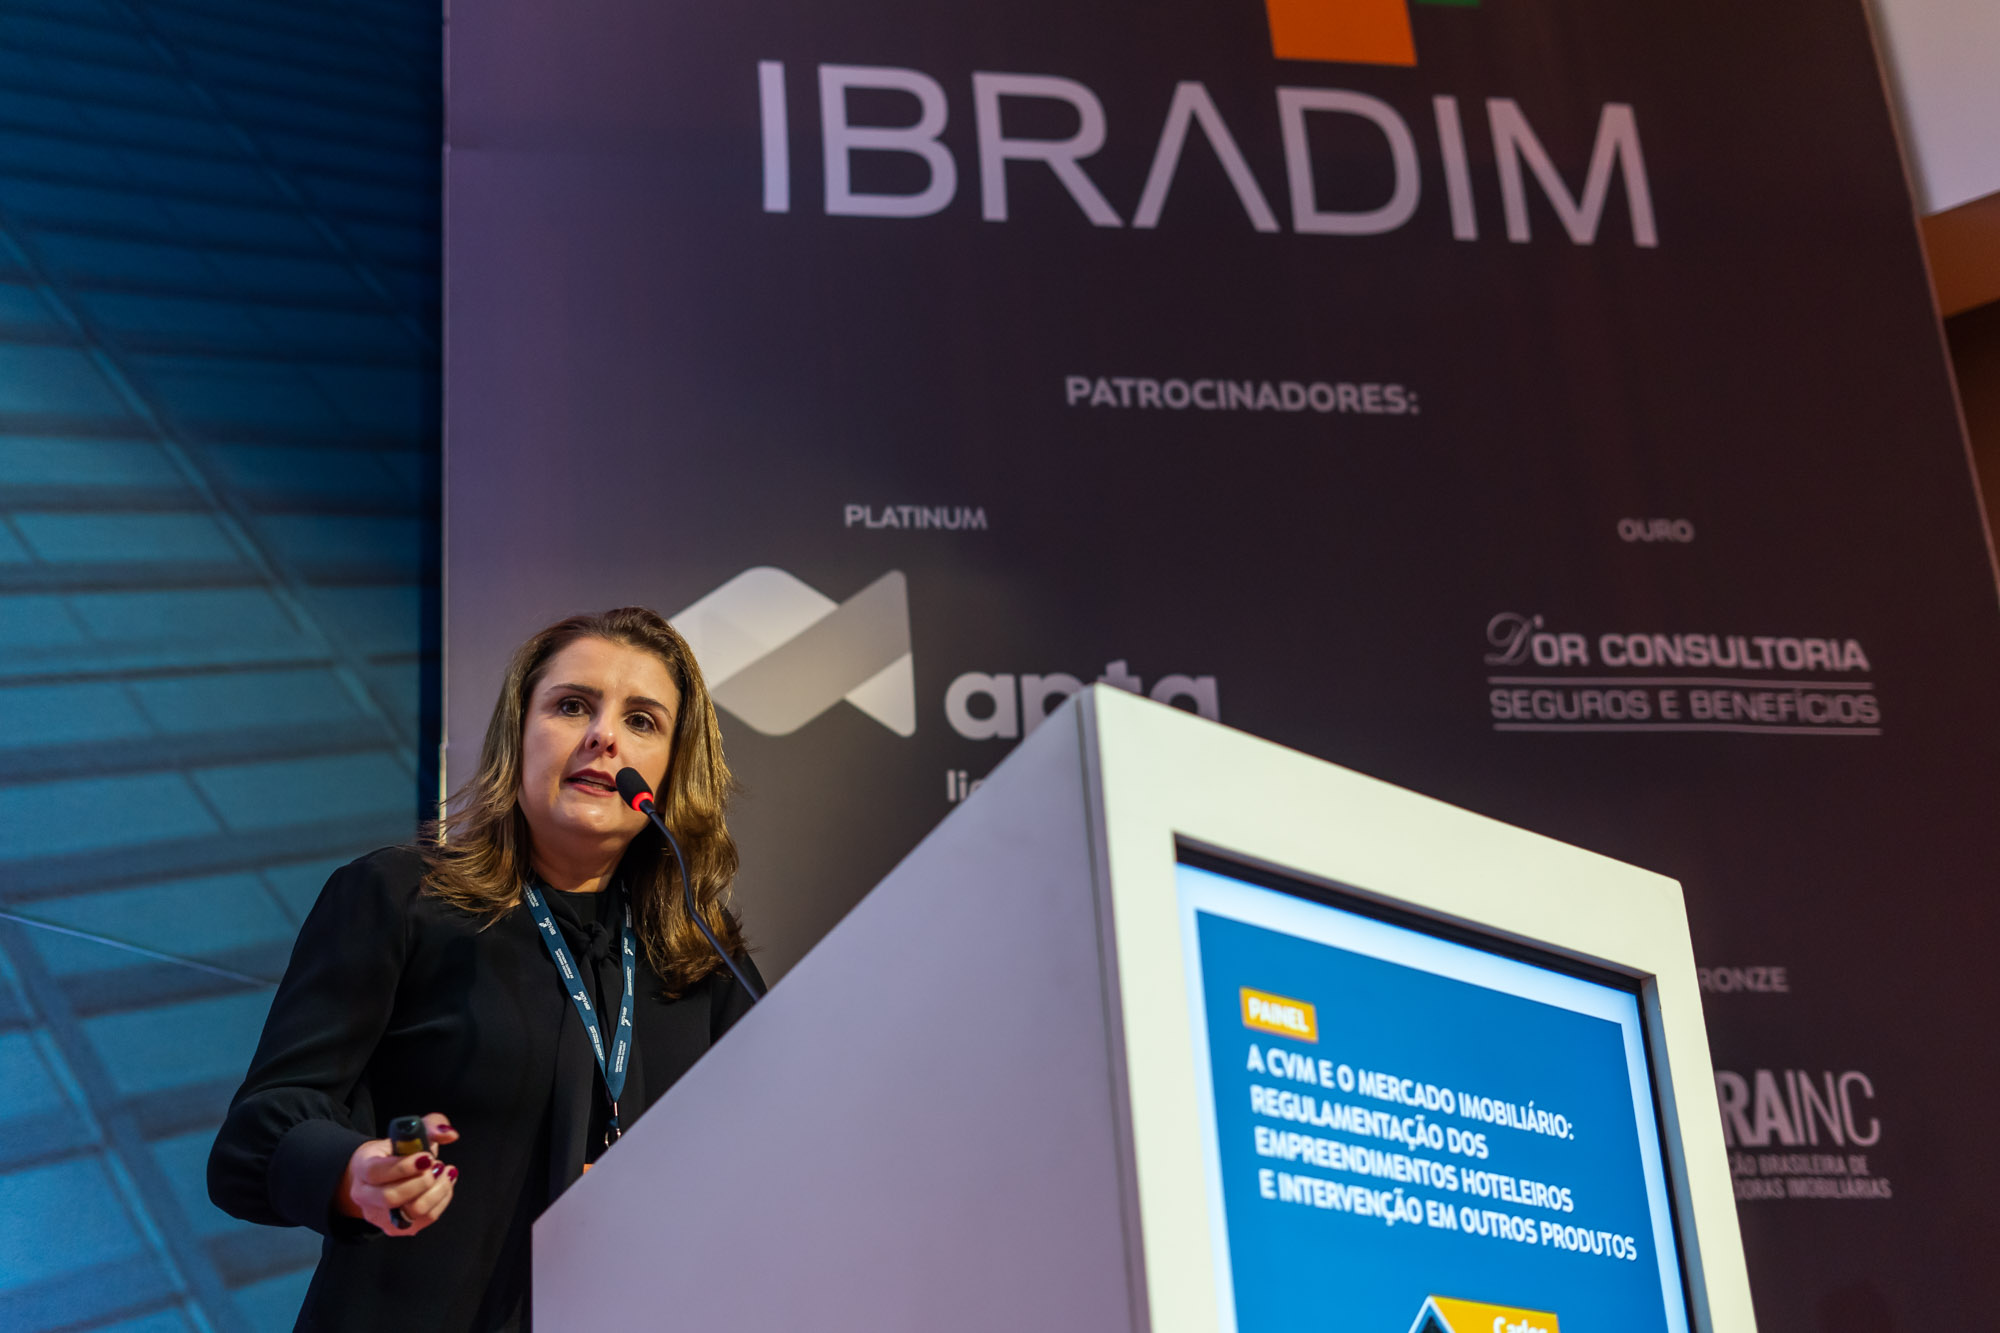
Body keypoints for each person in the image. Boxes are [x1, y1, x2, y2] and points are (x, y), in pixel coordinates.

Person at [208, 608, 763, 1332]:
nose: (604, 736)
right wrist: (352, 1171)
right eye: (572, 706)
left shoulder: (702, 958)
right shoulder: (401, 900)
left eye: (642, 721)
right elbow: (257, 1132)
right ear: (518, 733)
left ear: (673, 766)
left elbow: (772, 1167)